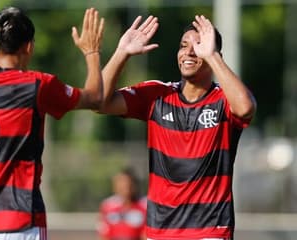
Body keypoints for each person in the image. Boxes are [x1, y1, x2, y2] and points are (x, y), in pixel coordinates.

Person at [0, 6, 104, 240]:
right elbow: (95, 98)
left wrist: (1, 43)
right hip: (21, 220)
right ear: (29, 46)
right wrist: (91, 52)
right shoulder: (37, 85)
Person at [98, 15, 257, 240]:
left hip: (209, 231)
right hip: (160, 231)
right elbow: (99, 102)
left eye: (199, 46)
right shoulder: (157, 95)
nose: (189, 53)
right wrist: (121, 53)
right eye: (183, 46)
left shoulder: (224, 99)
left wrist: (211, 56)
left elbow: (245, 108)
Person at [97, 168, 147, 240]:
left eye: (128, 184)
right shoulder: (107, 206)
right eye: (121, 184)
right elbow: (104, 235)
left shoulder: (144, 206)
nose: (125, 187)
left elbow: (145, 235)